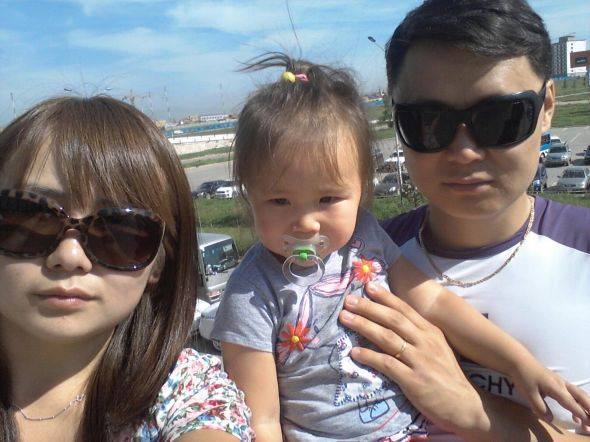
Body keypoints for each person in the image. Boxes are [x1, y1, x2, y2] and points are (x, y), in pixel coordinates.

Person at [210, 53, 590, 441]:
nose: (306, 223)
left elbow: (433, 300)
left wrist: (518, 363)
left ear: (362, 188)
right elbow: (261, 419)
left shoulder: (366, 239)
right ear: (249, 194)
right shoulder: (251, 292)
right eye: (279, 201)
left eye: (328, 199)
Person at [339, 0, 590, 439]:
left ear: (547, 106)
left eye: (501, 117)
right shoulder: (357, 262)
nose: (464, 152)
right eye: (428, 122)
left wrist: (478, 413)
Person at [0, 96, 253, 441]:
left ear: (158, 264)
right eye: (32, 218)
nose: (70, 256)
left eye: (119, 232)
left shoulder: (186, 392)